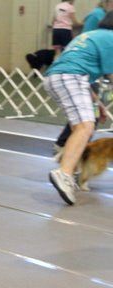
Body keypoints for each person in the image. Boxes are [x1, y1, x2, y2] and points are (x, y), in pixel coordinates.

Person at [44, 11, 113, 205]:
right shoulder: (111, 39)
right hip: (71, 78)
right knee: (86, 127)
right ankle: (64, 174)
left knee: (79, 128)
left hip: (56, 78)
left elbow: (83, 72)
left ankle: (71, 170)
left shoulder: (89, 35)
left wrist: (98, 105)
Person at [54, 0, 113, 152]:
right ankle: (65, 147)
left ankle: (71, 148)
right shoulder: (97, 16)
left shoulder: (102, 19)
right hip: (79, 73)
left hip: (83, 74)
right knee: (86, 120)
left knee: (87, 116)